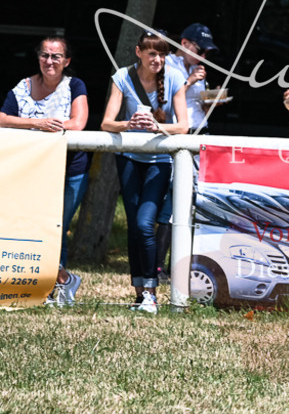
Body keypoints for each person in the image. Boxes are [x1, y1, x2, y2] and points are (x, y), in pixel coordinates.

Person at [101, 32, 188, 314]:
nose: (158, 60)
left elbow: (183, 126)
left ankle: (151, 293)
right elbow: (106, 123)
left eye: (162, 54)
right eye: (152, 54)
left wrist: (155, 127)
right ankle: (139, 293)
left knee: (144, 223)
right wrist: (129, 123)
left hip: (159, 162)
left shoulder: (175, 77)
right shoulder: (122, 77)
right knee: (133, 228)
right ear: (138, 52)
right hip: (128, 159)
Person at [0, 36, 89, 305]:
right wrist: (37, 123)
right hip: (33, 171)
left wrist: (47, 125)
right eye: (45, 55)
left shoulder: (75, 85)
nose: (49, 61)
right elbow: (3, 118)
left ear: (67, 61)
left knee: (57, 227)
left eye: (56, 56)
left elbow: (78, 123)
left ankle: (54, 285)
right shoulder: (23, 86)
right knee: (33, 227)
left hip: (70, 168)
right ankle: (59, 280)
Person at [154, 23, 223, 282]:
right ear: (184, 44)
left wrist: (212, 100)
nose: (204, 57)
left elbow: (201, 107)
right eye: (201, 50)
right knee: (173, 199)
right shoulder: (168, 65)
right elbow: (164, 99)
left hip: (200, 134)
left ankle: (182, 265)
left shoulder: (199, 70)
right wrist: (189, 81)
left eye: (207, 53)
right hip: (178, 135)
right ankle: (159, 267)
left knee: (195, 200)